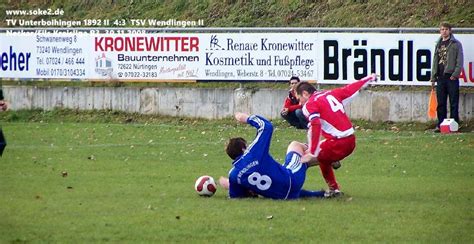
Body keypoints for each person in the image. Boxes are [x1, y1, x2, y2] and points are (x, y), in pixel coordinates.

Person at [294, 74, 378, 197]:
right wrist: (368, 79)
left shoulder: (309, 104)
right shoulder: (330, 93)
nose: (300, 103)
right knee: (322, 157)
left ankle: (332, 188)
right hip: (351, 141)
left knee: (307, 158)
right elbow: (351, 89)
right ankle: (333, 179)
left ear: (305, 94)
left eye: (299, 98)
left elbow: (315, 124)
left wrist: (312, 152)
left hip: (338, 143)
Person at [219, 112, 326, 200]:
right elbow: (266, 126)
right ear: (243, 149)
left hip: (280, 195)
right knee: (295, 146)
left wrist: (229, 185)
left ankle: (321, 194)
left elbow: (239, 196)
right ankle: (329, 153)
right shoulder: (253, 153)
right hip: (292, 179)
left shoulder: (233, 175)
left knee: (282, 181)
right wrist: (246, 118)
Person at [430, 22, 464, 132]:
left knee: (453, 102)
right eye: (442, 29)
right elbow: (435, 61)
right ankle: (441, 125)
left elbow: (460, 60)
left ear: (450, 30)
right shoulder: (438, 44)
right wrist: (433, 76)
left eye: (446, 29)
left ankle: (454, 125)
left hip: (451, 78)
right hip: (440, 77)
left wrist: (455, 74)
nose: (444, 31)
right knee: (441, 103)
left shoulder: (455, 44)